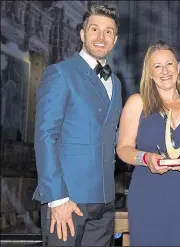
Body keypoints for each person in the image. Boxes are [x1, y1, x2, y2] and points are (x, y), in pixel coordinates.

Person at [33, 5, 121, 246]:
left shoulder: (116, 82)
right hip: (67, 200)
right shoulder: (60, 73)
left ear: (115, 40)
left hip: (105, 202)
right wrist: (57, 198)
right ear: (82, 34)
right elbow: (45, 136)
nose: (101, 37)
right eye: (94, 29)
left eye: (108, 31)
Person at [116, 41, 180, 246]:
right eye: (157, 66)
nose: (165, 71)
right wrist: (146, 158)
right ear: (149, 72)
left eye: (169, 64)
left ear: (178, 67)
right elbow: (123, 149)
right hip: (148, 194)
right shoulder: (137, 102)